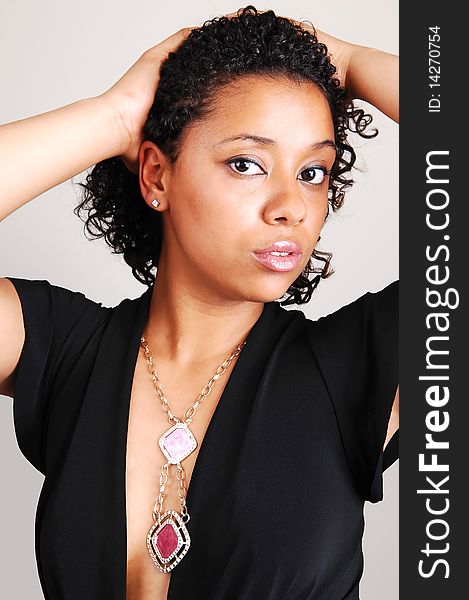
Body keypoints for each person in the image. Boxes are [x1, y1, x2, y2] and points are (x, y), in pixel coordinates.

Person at [0, 6, 398, 600]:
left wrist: (353, 61)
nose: (291, 205)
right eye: (247, 164)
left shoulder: (354, 365)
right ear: (157, 176)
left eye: (314, 171)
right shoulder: (62, 348)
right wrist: (111, 118)